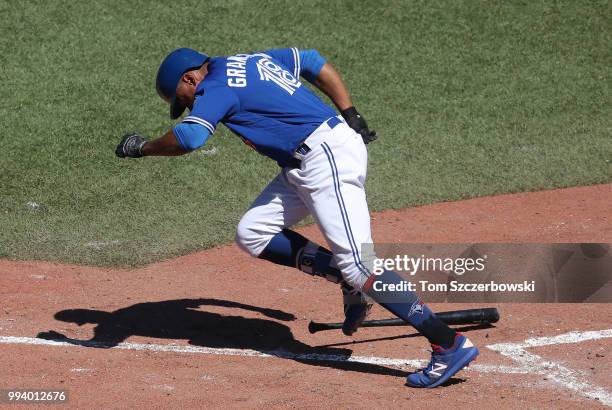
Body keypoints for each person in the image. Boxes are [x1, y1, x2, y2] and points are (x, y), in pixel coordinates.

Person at [115, 47, 478, 387]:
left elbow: (190, 137)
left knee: (362, 265)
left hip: (325, 160)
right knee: (253, 232)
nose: (191, 104)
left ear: (190, 80)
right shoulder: (251, 60)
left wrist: (143, 148)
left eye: (184, 98)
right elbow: (311, 60)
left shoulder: (216, 86)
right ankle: (346, 279)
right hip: (304, 163)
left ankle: (447, 344)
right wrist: (349, 111)